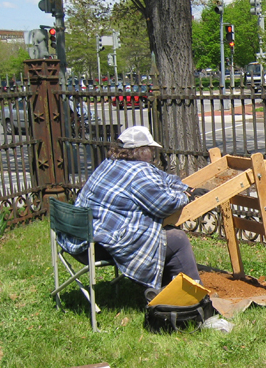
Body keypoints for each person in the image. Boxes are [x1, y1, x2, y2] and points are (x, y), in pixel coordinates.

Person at [57, 125, 201, 299]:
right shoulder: (139, 173)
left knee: (161, 236)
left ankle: (162, 287)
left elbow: (161, 177)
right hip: (101, 245)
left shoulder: (110, 163)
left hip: (77, 237)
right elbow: (165, 204)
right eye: (150, 150)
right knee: (177, 240)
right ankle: (191, 299)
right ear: (140, 151)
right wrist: (185, 196)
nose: (152, 155)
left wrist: (185, 187)